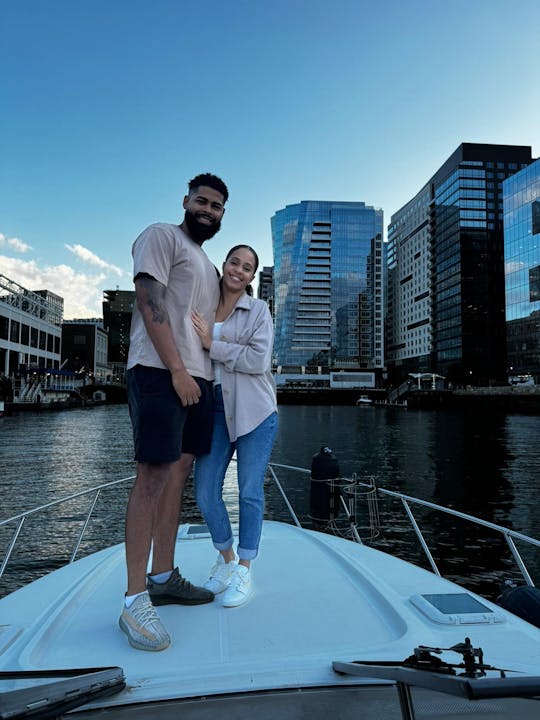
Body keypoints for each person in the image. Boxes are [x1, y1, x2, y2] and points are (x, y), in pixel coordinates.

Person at [119, 173, 228, 652]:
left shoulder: (206, 262)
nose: (208, 210)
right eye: (202, 201)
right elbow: (150, 301)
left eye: (218, 206)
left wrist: (199, 376)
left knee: (179, 472)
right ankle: (133, 600)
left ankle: (163, 576)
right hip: (161, 372)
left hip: (196, 380)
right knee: (153, 475)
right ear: (186, 201)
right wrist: (179, 371)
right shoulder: (161, 236)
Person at [192, 245, 278, 608]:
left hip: (256, 411)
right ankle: (226, 561)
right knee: (205, 492)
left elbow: (258, 361)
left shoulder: (258, 310)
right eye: (234, 263)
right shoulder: (203, 307)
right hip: (214, 409)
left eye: (247, 267)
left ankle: (244, 567)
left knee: (248, 492)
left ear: (252, 277)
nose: (238, 270)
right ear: (223, 265)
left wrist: (214, 344)